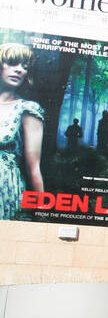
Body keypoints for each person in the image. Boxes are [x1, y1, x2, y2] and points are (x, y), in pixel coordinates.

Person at [0, 44, 44, 220]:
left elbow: (33, 167)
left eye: (24, 67)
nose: (19, 70)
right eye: (13, 63)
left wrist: (42, 214)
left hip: (6, 191)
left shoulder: (27, 109)